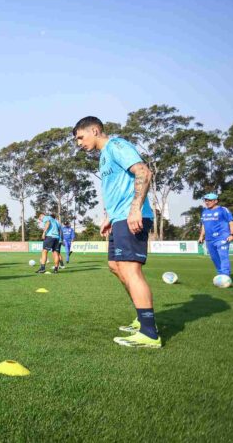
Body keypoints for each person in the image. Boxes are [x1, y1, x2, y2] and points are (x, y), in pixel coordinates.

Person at [73, 116, 159, 348]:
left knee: (131, 270)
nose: (79, 143)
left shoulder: (117, 145)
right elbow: (118, 187)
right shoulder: (103, 157)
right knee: (115, 266)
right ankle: (141, 318)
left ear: (95, 130)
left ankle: (150, 333)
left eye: (81, 137)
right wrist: (109, 216)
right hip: (118, 217)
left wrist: (134, 210)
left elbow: (143, 172)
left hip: (131, 216)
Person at [198, 193, 233, 280]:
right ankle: (220, 274)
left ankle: (225, 275)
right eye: (206, 200)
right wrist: (201, 236)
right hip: (209, 239)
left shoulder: (223, 210)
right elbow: (204, 225)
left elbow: (231, 222)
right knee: (215, 258)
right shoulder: (204, 211)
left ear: (216, 201)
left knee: (223, 256)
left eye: (209, 200)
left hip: (222, 237)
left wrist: (232, 234)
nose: (207, 202)